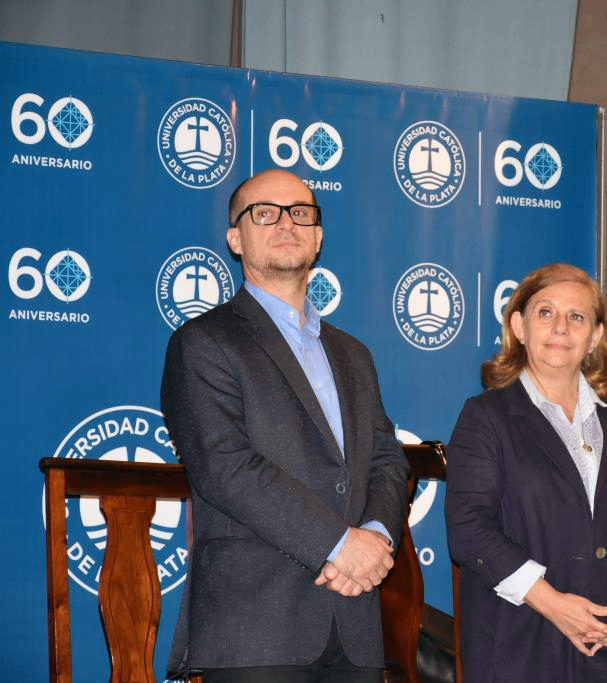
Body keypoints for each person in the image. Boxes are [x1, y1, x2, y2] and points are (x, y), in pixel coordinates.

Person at [161, 169, 409, 681]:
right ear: (235, 237)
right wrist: (342, 545)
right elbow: (224, 467)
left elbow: (387, 458)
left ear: (318, 236)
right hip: (256, 626)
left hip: (355, 621)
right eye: (264, 213)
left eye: (301, 212)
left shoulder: (354, 354)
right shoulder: (204, 343)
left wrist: (378, 538)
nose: (286, 223)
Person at [445, 263, 607, 682]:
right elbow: (469, 529)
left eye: (577, 317)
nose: (561, 327)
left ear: (595, 336)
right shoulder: (486, 417)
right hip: (520, 645)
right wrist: (554, 605)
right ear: (520, 326)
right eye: (546, 312)